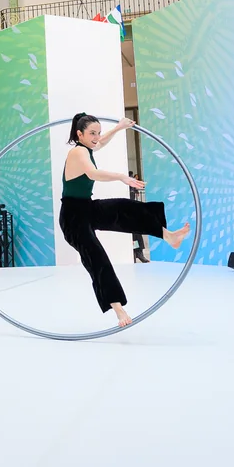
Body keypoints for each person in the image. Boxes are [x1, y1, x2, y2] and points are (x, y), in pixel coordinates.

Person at [59, 114, 188, 328]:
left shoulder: (88, 146)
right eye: (92, 133)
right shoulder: (77, 152)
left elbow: (100, 143)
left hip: (87, 207)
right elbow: (92, 174)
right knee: (96, 258)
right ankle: (118, 309)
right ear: (79, 134)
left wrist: (118, 128)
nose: (96, 137)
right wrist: (121, 176)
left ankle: (168, 236)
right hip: (73, 218)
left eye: (98, 132)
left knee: (125, 209)